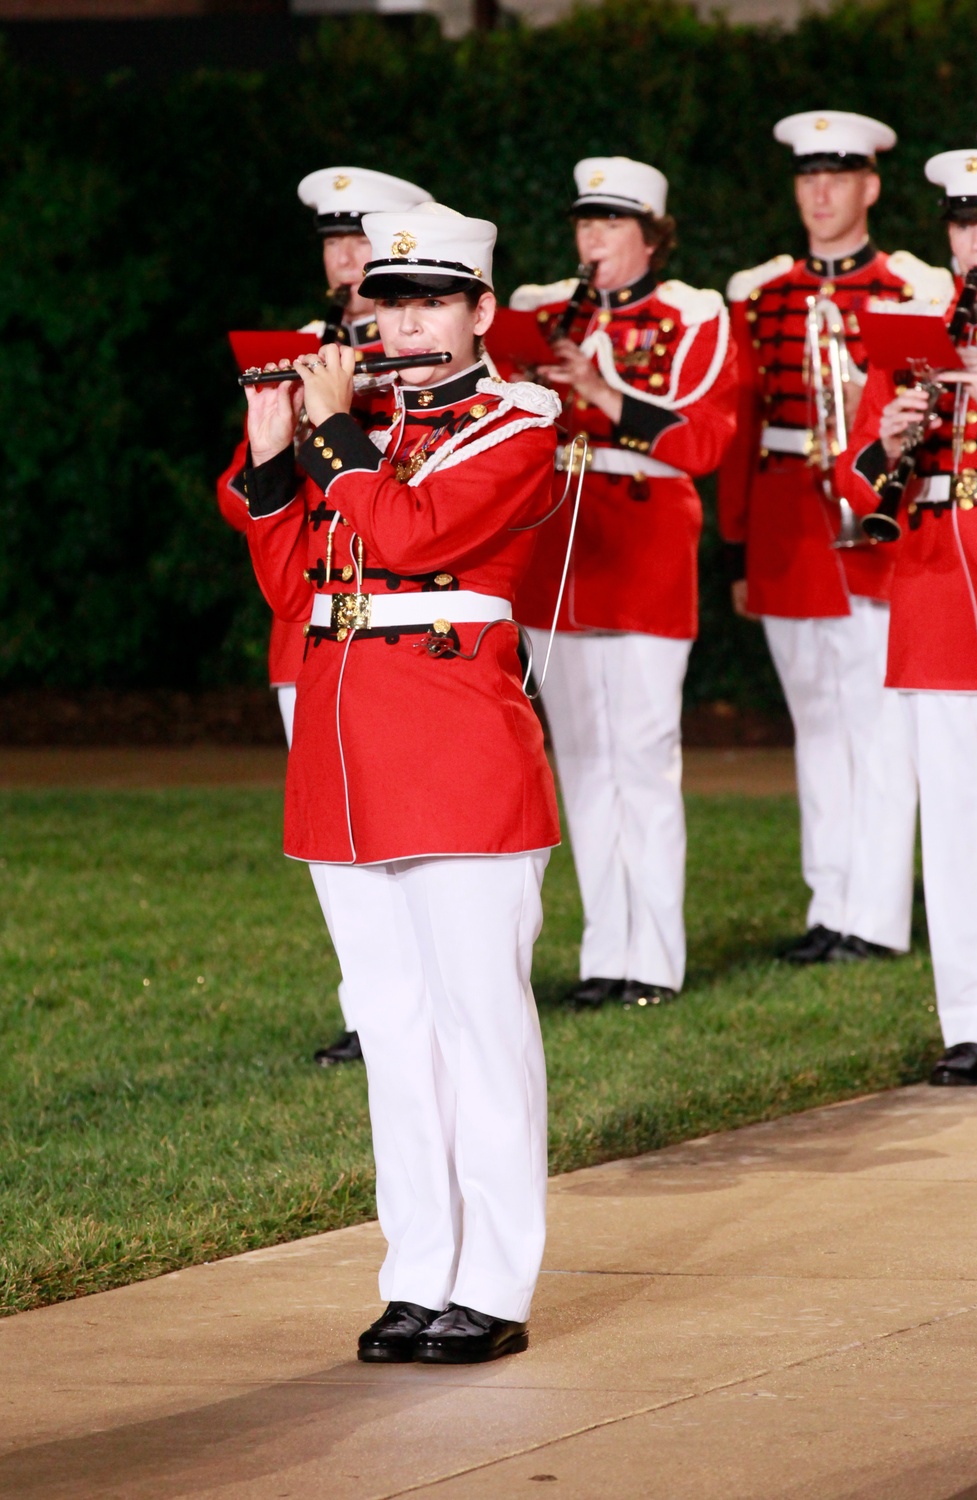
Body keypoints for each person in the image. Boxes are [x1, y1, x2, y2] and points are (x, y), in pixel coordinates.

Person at [242, 202, 563, 1361]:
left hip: (457, 745)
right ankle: (419, 1271)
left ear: (482, 310)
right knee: (390, 1024)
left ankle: (495, 1284)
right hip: (342, 750)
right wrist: (278, 447)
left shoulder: (518, 422)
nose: (404, 320)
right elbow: (295, 587)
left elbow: (417, 534)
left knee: (480, 1023)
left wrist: (331, 438)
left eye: (432, 299)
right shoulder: (359, 427)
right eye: (388, 300)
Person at [718, 111, 953, 966]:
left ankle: (878, 915)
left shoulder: (912, 288)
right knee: (816, 722)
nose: (819, 192)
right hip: (787, 518)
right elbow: (744, 426)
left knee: (879, 721)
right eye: (807, 176)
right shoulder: (762, 294)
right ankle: (832, 903)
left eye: (837, 176)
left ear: (871, 186)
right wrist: (738, 544)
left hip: (874, 518)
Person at [510, 156, 737, 1011]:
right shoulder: (537, 309)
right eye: (584, 223)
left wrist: (602, 393)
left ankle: (655, 960)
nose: (593, 239)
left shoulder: (694, 313)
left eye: (611, 224)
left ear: (652, 235)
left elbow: (705, 440)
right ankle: (606, 953)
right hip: (561, 549)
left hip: (642, 549)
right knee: (581, 762)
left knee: (643, 759)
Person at [218, 167, 432, 1067]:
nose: (345, 259)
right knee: (338, 839)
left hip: (409, 621)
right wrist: (281, 445)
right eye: (335, 245)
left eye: (362, 242)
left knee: (417, 830)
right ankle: (369, 1014)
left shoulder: (433, 365)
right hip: (309, 615)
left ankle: (430, 1002)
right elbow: (241, 492)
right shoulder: (303, 353)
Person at [839, 146, 977, 1086]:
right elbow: (855, 479)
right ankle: (972, 1024)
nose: (974, 241)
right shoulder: (915, 332)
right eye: (961, 225)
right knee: (953, 821)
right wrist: (889, 436)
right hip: (938, 591)